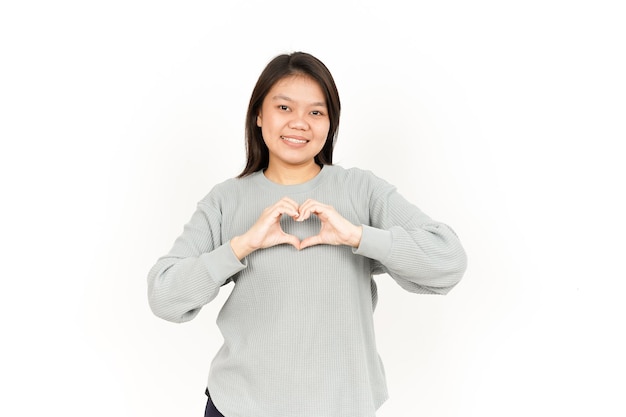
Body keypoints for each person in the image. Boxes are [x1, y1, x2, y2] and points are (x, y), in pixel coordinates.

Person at [147, 51, 467, 417]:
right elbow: (163, 295)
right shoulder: (226, 200)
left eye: (316, 112)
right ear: (258, 115)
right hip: (239, 406)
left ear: (331, 123)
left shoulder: (361, 190)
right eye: (284, 108)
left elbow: (449, 261)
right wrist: (241, 246)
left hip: (342, 407)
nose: (299, 123)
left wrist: (359, 237)